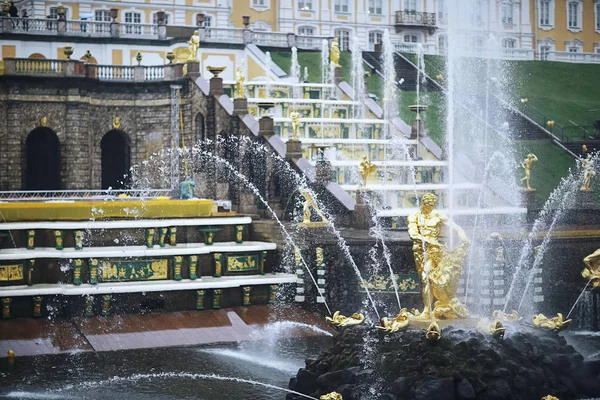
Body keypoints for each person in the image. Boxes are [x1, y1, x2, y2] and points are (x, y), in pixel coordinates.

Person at [407, 193, 469, 320]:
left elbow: (454, 226)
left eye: (432, 204)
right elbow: (413, 234)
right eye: (427, 203)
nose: (430, 206)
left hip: (436, 250)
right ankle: (426, 310)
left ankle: (447, 303)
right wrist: (428, 241)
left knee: (441, 276)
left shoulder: (438, 216)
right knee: (425, 279)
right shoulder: (414, 217)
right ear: (423, 203)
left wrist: (462, 235)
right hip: (421, 250)